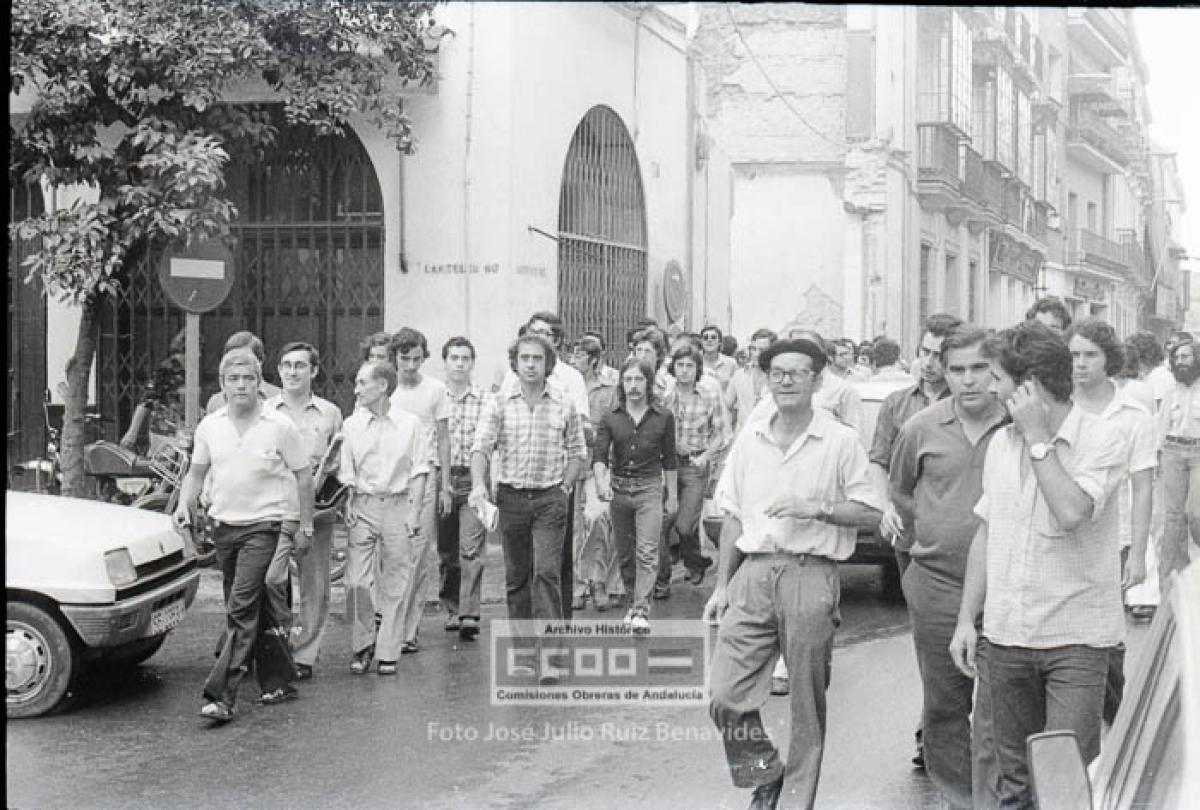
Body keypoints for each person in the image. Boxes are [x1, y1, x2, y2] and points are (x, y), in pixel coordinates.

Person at [949, 321, 1128, 809]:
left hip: (1076, 642)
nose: (988, 388)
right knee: (1015, 785)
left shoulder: (1103, 440)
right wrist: (968, 619)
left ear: (1028, 386)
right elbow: (988, 532)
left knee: (1065, 784)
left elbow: (1071, 512)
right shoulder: (1000, 445)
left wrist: (1038, 439)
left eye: (999, 379)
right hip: (1007, 639)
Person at [703, 338, 883, 810]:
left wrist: (816, 509)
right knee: (725, 695)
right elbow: (733, 516)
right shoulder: (750, 438)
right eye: (777, 372)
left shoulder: (840, 440)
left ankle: (796, 802)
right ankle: (765, 771)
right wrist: (723, 585)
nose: (785, 380)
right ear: (765, 378)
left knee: (805, 703)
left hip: (811, 573)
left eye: (797, 372)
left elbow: (870, 511)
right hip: (753, 573)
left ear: (817, 379)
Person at [889, 326, 1007, 809]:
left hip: (1007, 587)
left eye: (979, 368)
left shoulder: (1018, 425)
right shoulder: (922, 427)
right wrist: (921, 561)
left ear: (996, 369)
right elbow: (900, 494)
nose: (969, 380)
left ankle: (997, 798)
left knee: (1001, 709)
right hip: (936, 584)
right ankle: (962, 800)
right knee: (945, 705)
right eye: (957, 370)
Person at [174, 348, 314, 723]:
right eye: (233, 379)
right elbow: (196, 473)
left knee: (239, 609)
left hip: (264, 527)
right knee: (255, 608)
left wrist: (305, 524)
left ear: (259, 383)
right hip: (224, 528)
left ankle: (222, 696)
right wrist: (184, 505)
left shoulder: (279, 425)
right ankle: (280, 678)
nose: (241, 386)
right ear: (222, 385)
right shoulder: (210, 426)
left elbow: (303, 475)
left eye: (248, 379)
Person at [870, 312, 962, 768]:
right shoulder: (895, 404)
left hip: (961, 542)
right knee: (930, 640)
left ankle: (949, 730)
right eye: (924, 352)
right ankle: (934, 732)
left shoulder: (969, 401)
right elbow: (879, 462)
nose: (929, 364)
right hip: (911, 541)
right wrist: (885, 504)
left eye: (939, 356)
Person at [1065, 318, 1157, 726]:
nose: (1081, 364)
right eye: (1074, 355)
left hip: (1112, 541)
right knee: (1068, 633)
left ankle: (1117, 724)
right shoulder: (1057, 405)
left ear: (1109, 359)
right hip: (1063, 535)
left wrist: (1138, 556)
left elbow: (1143, 488)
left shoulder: (1133, 415)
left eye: (1090, 355)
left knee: (1106, 635)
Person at [469, 333, 588, 628]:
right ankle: (523, 648)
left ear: (548, 363)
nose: (531, 365)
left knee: (547, 572)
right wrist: (478, 484)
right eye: (525, 358)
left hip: (550, 498)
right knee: (517, 576)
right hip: (512, 499)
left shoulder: (564, 402)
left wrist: (565, 487)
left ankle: (550, 652)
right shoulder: (499, 403)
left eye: (537, 358)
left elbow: (577, 451)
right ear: (515, 363)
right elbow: (481, 447)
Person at [339, 360, 430, 675]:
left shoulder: (410, 424)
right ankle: (363, 642)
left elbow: (420, 469)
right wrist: (348, 500)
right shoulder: (351, 425)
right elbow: (346, 468)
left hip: (397, 505)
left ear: (382, 386)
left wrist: (415, 511)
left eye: (362, 383)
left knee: (395, 580)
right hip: (363, 505)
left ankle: (388, 650)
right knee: (356, 581)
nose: (356, 389)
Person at [263, 342, 343, 681]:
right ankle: (274, 648)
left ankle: (305, 654)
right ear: (278, 371)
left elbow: (337, 462)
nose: (292, 371)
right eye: (286, 365)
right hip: (271, 508)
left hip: (312, 510)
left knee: (316, 584)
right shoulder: (264, 410)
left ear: (313, 371)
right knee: (270, 581)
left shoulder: (329, 413)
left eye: (300, 366)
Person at [592, 357, 678, 632]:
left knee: (647, 551)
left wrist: (672, 495)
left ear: (649, 383)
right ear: (621, 384)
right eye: (628, 379)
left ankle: (642, 609)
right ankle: (632, 602)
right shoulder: (611, 417)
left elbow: (670, 460)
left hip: (649, 488)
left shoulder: (663, 416)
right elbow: (600, 455)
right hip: (619, 488)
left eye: (639, 379)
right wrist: (601, 482)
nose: (633, 386)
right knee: (626, 553)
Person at [388, 326, 452, 649]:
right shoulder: (385, 388)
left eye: (417, 359)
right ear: (394, 357)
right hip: (389, 481)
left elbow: (443, 437)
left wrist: (446, 485)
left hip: (424, 477)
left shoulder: (436, 390)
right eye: (404, 358)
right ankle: (388, 623)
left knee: (417, 553)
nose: (411, 366)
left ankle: (408, 628)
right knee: (392, 553)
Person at [659, 342, 728, 593]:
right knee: (662, 522)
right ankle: (661, 580)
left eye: (690, 365)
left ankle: (696, 561)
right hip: (666, 465)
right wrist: (674, 444)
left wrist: (706, 456)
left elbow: (720, 434)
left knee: (685, 525)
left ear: (697, 369)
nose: (685, 370)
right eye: (680, 365)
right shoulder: (665, 396)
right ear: (673, 368)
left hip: (695, 465)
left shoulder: (709, 394)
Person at [437, 337, 490, 640]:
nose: (459, 363)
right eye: (454, 357)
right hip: (441, 478)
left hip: (472, 478)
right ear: (445, 361)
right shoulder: (436, 397)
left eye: (465, 358)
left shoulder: (484, 399)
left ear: (472, 363)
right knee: (447, 550)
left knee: (471, 547)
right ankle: (452, 607)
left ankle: (469, 612)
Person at [568, 334, 623, 611]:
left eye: (580, 355)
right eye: (573, 355)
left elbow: (614, 428)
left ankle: (599, 579)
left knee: (599, 519)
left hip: (598, 465)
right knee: (574, 529)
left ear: (594, 360)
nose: (574, 360)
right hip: (569, 466)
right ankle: (578, 585)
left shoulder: (609, 390)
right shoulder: (564, 387)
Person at [1156, 337, 1200, 593]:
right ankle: (1174, 580)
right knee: (1172, 519)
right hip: (1172, 451)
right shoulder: (1171, 390)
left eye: (1186, 357)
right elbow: (1161, 425)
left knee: (1194, 514)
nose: (1181, 362)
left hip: (1198, 453)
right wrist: (1156, 458)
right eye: (1177, 358)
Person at [205, 331, 282, 414]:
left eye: (245, 359)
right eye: (233, 359)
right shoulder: (216, 402)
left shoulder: (278, 398)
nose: (239, 363)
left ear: (260, 361)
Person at [725, 328, 776, 433]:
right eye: (753, 349)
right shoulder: (739, 375)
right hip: (743, 438)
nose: (756, 354)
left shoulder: (780, 378)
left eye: (762, 350)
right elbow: (727, 406)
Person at [700, 325, 739, 392]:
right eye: (706, 338)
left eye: (713, 337)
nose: (709, 340)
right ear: (701, 342)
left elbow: (736, 389)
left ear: (719, 342)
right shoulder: (695, 362)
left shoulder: (731, 363)